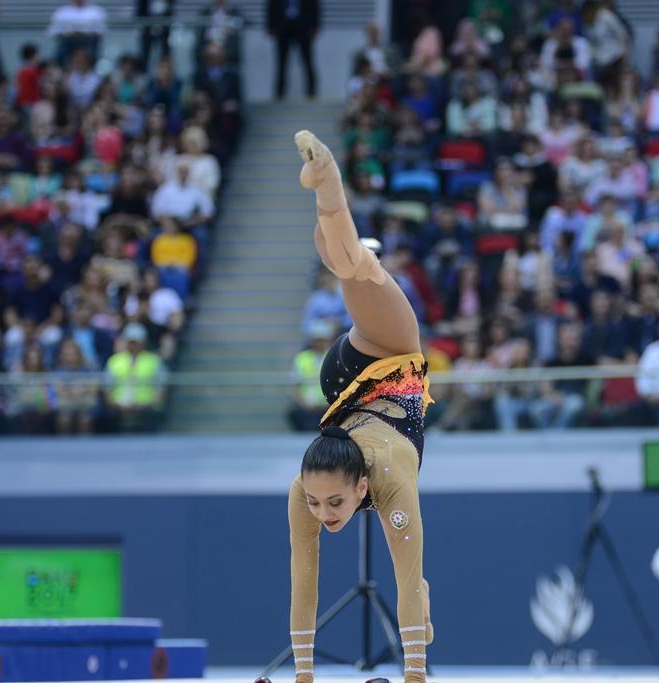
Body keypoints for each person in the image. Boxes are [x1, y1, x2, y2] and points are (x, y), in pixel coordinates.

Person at [285, 130, 434, 683]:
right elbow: (304, 576)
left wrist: (414, 675)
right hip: (361, 378)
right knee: (336, 256)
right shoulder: (305, 489)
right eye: (320, 503)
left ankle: (330, 184)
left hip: (389, 353)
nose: (324, 514)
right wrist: (304, 677)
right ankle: (328, 199)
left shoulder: (391, 480)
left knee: (354, 269)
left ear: (362, 489)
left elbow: (408, 578)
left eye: (332, 503)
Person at [267, 0, 320, 100]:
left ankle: (311, 93)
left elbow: (314, 6)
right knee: (281, 63)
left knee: (307, 61)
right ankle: (280, 93)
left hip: (304, 27)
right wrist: (270, 26)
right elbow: (272, 6)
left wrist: (315, 26)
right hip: (283, 27)